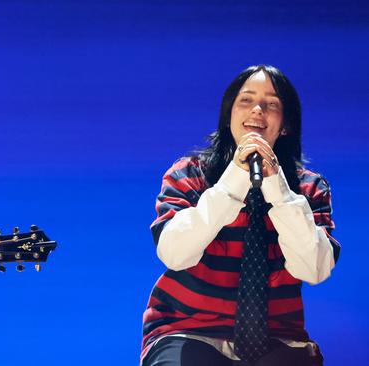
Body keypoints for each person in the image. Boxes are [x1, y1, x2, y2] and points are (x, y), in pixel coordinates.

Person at [140, 65, 340, 366]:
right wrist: (234, 181)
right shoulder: (189, 174)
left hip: (279, 339)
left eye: (272, 104)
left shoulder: (309, 188)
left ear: (285, 124)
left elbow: (314, 270)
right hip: (189, 331)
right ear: (229, 116)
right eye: (246, 101)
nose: (258, 110)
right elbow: (174, 254)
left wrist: (278, 190)